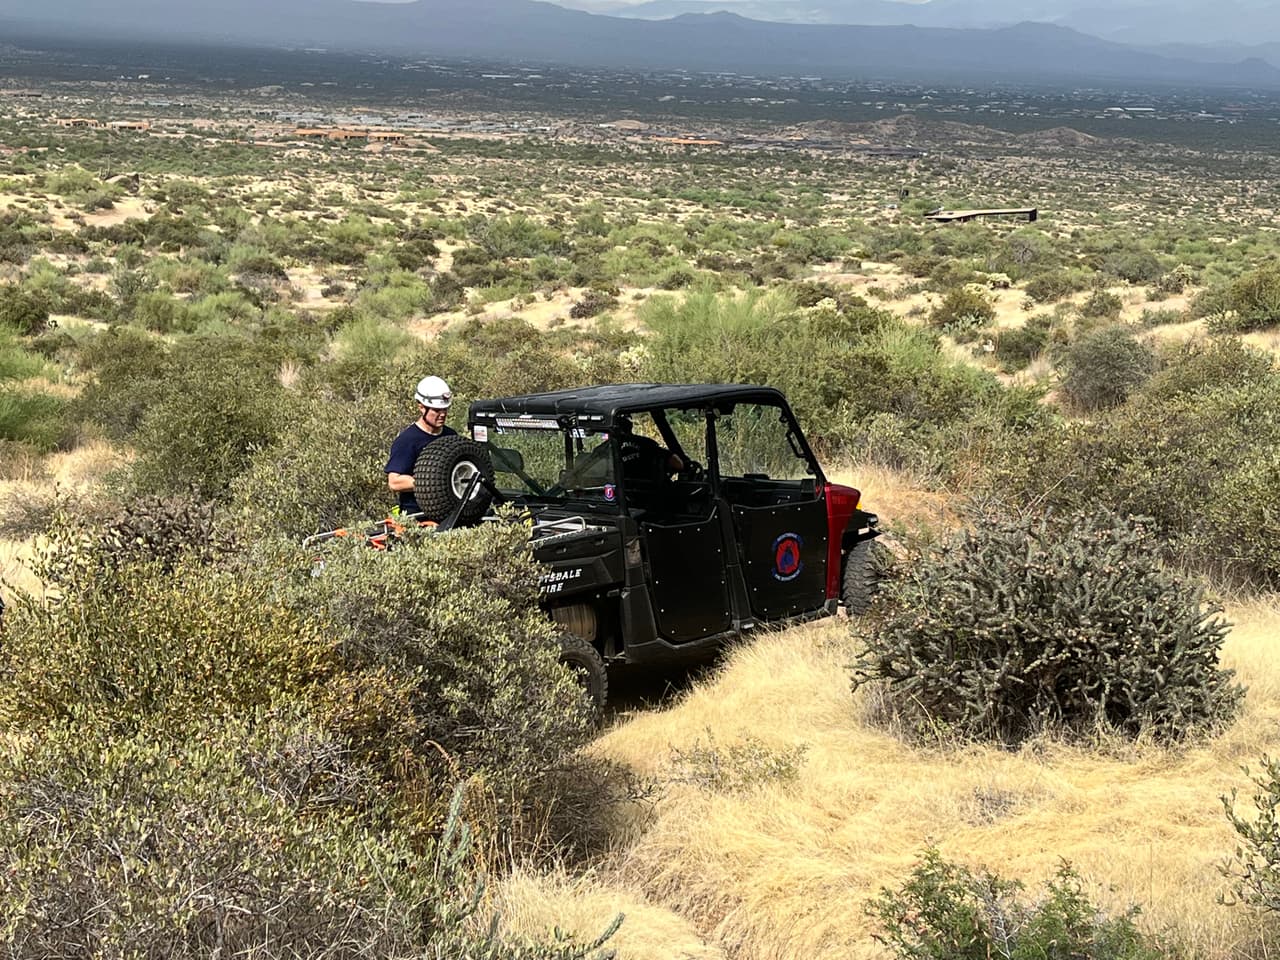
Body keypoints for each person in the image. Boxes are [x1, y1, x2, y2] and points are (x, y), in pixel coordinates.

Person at [385, 375, 457, 515]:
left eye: (445, 409)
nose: (443, 414)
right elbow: (394, 482)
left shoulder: (451, 436)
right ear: (421, 407)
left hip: (450, 513)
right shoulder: (407, 441)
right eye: (436, 410)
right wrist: (432, 482)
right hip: (419, 516)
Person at [614, 413, 684, 483]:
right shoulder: (647, 443)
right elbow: (678, 464)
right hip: (650, 488)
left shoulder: (608, 450)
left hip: (622, 488)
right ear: (630, 426)